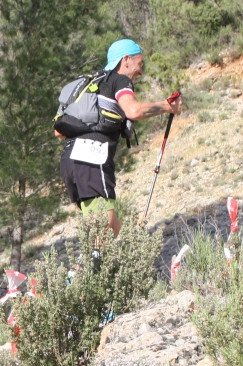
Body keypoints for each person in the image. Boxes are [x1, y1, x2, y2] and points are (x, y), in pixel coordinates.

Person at [56, 39, 182, 235]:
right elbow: (133, 110)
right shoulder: (119, 80)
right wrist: (167, 106)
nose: (140, 71)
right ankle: (91, 265)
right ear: (126, 60)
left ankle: (121, 256)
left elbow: (59, 131)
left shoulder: (91, 84)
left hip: (69, 161)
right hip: (92, 157)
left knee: (110, 227)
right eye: (139, 64)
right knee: (101, 228)